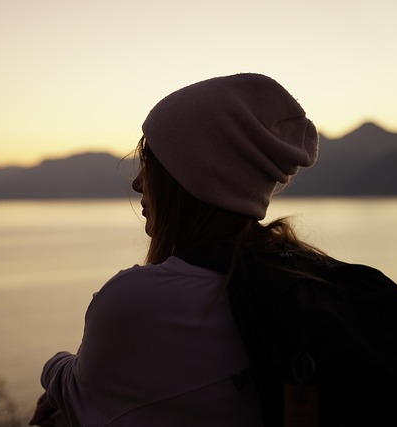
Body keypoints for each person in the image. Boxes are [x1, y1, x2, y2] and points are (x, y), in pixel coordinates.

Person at [30, 73, 322, 427]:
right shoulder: (302, 276)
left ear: (188, 177)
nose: (138, 182)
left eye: (149, 161)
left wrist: (52, 369)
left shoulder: (139, 300)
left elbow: (79, 393)